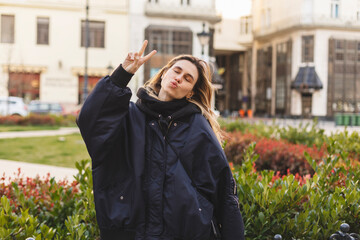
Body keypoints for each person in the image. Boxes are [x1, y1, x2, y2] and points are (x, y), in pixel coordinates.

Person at [77, 40, 245, 240]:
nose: (179, 78)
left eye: (188, 78)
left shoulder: (198, 128)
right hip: (127, 232)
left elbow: (223, 188)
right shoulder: (130, 116)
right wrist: (122, 75)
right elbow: (91, 121)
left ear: (190, 91)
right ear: (165, 73)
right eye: (176, 71)